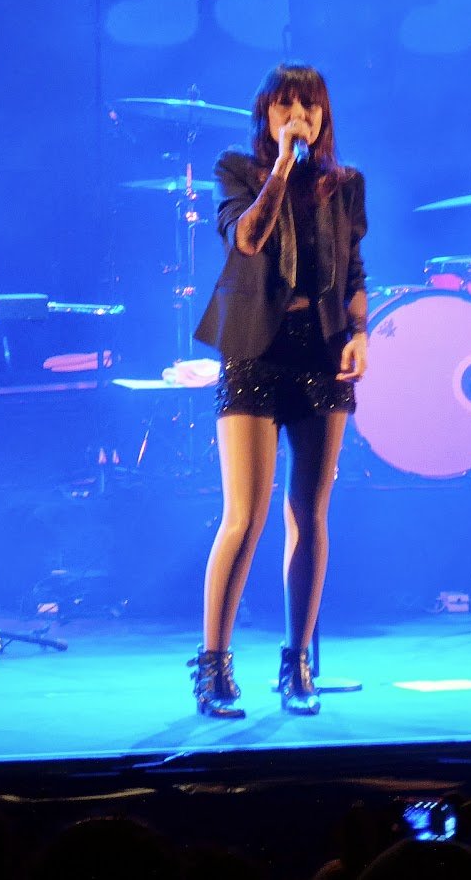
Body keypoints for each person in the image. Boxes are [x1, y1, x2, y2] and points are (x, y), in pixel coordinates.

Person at [190, 62, 368, 717]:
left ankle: (297, 666)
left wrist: (361, 333)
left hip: (321, 353)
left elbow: (354, 272)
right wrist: (284, 168)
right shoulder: (237, 170)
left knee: (310, 513)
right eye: (288, 107)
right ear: (266, 116)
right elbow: (248, 237)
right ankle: (213, 666)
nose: (301, 118)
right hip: (255, 350)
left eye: (311, 108)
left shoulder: (346, 185)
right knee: (245, 514)